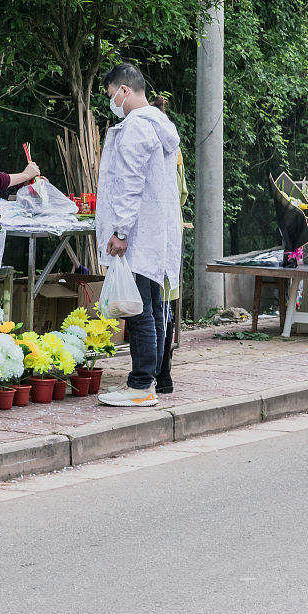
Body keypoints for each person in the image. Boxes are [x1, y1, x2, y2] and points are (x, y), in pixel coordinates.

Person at [95, 63, 182, 407]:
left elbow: (129, 184)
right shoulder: (160, 125)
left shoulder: (135, 129)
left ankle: (140, 384)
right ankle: (156, 379)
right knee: (154, 307)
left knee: (140, 310)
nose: (111, 102)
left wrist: (120, 231)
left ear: (124, 90)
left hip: (136, 233)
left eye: (110, 94)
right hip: (154, 232)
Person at [149, 95, 188, 395]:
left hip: (153, 236)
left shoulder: (150, 148)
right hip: (172, 232)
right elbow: (183, 193)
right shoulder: (174, 149)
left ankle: (154, 374)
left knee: (152, 308)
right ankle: (164, 375)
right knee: (166, 306)